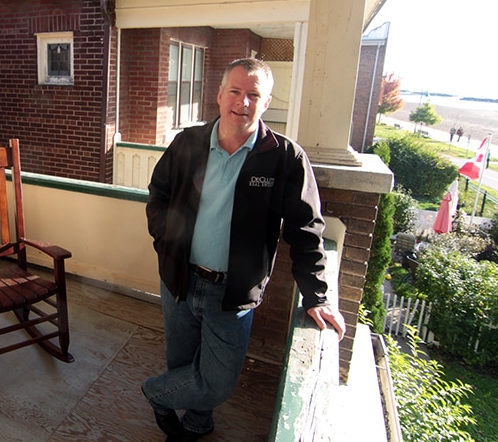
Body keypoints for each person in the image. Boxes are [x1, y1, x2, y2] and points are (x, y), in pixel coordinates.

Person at [142, 58, 346, 442]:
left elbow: (306, 230)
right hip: (180, 280)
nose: (243, 102)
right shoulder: (189, 143)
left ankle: (155, 394)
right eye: (235, 91)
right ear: (219, 96)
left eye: (254, 94)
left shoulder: (285, 157)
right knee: (183, 362)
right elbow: (159, 196)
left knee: (217, 381)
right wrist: (166, 242)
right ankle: (196, 424)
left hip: (233, 292)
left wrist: (316, 296)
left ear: (266, 103)